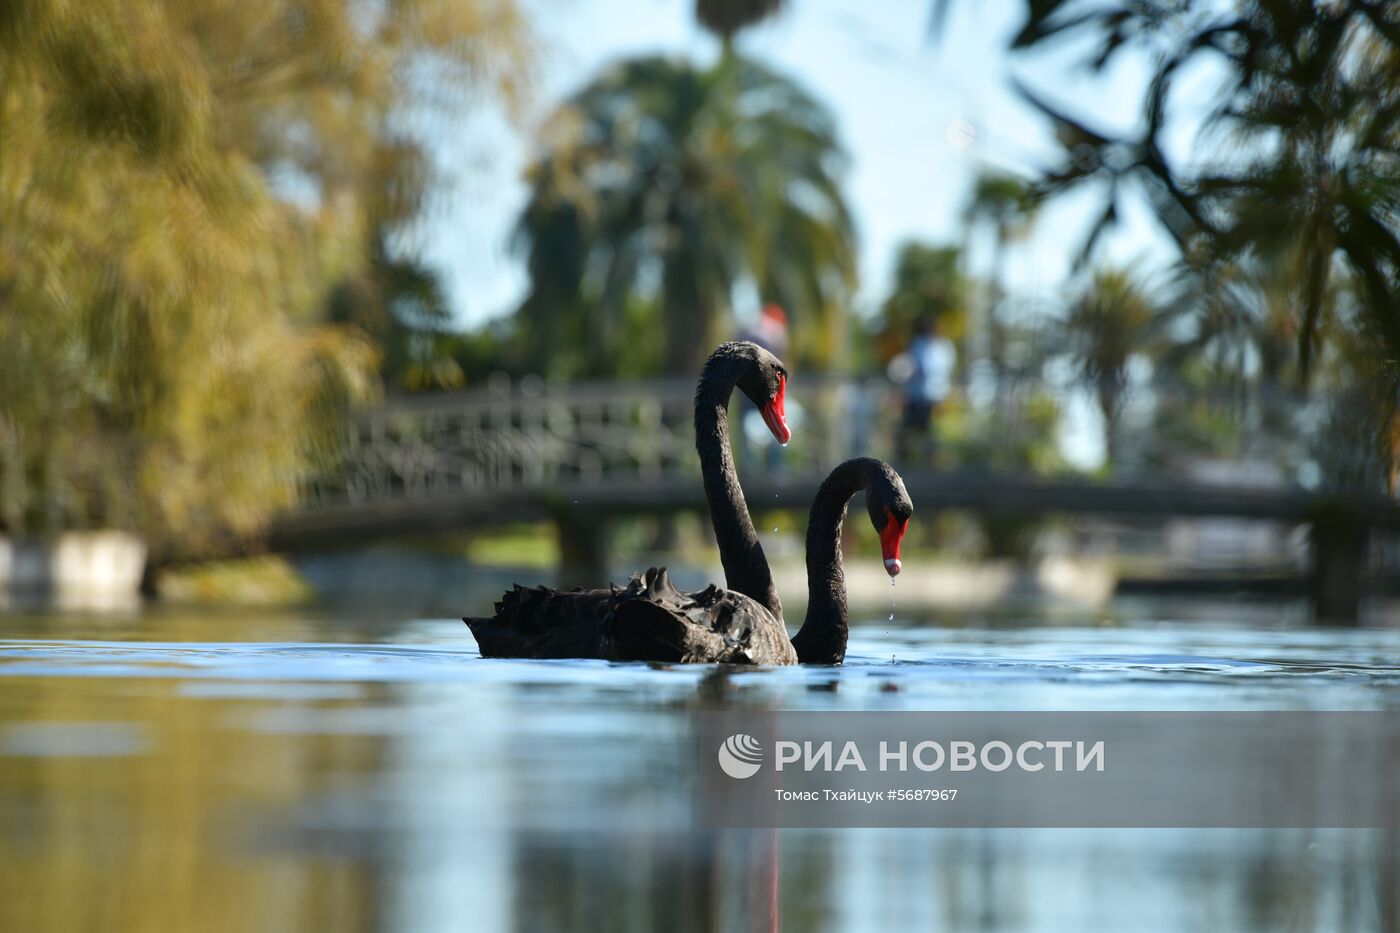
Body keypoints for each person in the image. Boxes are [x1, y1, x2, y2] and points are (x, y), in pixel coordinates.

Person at [893, 315, 956, 465]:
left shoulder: (944, 348)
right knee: (907, 430)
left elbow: (945, 373)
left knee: (930, 433)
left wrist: (944, 395)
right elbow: (909, 368)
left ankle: (929, 463)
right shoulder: (918, 345)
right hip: (915, 396)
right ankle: (905, 462)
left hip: (934, 397)